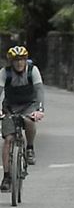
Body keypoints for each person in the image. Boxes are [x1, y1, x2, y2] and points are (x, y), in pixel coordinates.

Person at [0, 46, 45, 192]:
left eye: (22, 60)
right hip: (10, 107)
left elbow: (39, 91)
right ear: (11, 62)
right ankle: (7, 176)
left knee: (29, 121)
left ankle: (30, 148)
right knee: (8, 139)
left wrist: (39, 109)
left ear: (26, 60)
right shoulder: (4, 73)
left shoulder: (33, 71)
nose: (19, 63)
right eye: (16, 60)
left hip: (29, 105)